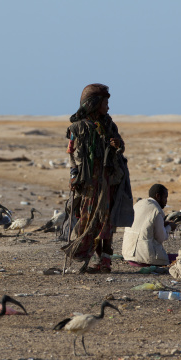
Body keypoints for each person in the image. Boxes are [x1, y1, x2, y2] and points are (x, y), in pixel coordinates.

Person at [62, 83, 133, 273]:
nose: (108, 107)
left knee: (106, 221)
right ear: (94, 103)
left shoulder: (109, 124)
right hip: (88, 185)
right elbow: (72, 156)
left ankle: (105, 262)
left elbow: (120, 147)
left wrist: (117, 144)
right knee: (86, 221)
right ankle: (91, 257)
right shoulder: (77, 128)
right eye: (105, 102)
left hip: (108, 182)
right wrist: (73, 175)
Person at [122, 184, 176, 266]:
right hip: (145, 259)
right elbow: (161, 238)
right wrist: (169, 227)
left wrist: (162, 224)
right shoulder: (156, 210)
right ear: (158, 196)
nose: (166, 201)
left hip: (128, 255)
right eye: (165, 197)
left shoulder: (137, 205)